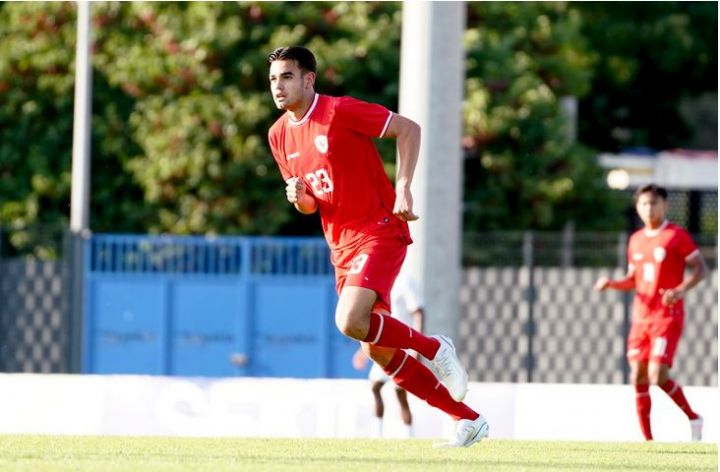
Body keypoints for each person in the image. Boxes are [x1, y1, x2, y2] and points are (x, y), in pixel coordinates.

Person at [267, 46, 488, 447]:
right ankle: (468, 419)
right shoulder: (278, 135)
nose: (278, 87)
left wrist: (403, 186)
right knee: (378, 352)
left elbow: (409, 129)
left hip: (379, 228)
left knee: (349, 320)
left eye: (286, 77)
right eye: (272, 79)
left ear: (308, 79)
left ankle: (436, 348)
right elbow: (311, 204)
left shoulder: (339, 111)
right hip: (342, 248)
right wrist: (299, 198)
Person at [594, 183, 707, 442]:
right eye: (644, 203)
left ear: (665, 205)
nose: (649, 208)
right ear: (637, 207)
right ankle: (648, 442)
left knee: (657, 375)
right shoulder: (635, 240)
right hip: (640, 319)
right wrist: (611, 283)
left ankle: (693, 417)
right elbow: (633, 280)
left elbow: (701, 269)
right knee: (638, 376)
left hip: (667, 316)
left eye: (654, 203)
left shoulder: (676, 236)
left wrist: (679, 289)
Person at [352, 269, 426, 438]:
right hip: (384, 345)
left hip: (403, 344)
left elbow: (419, 312)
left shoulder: (405, 280)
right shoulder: (381, 279)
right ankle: (377, 433)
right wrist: (362, 352)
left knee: (399, 392)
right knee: (376, 386)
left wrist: (418, 346)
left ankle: (409, 434)